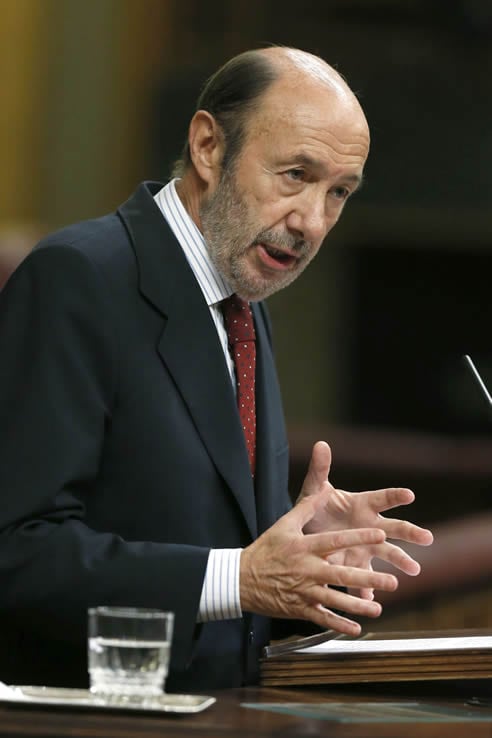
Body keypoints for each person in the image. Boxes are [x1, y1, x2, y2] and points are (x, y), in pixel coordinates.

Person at [0, 46, 433, 692]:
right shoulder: (79, 279)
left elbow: (198, 544)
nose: (312, 221)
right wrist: (242, 575)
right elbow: (17, 551)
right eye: (295, 175)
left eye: (338, 192)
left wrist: (303, 552)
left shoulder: (242, 298)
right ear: (208, 147)